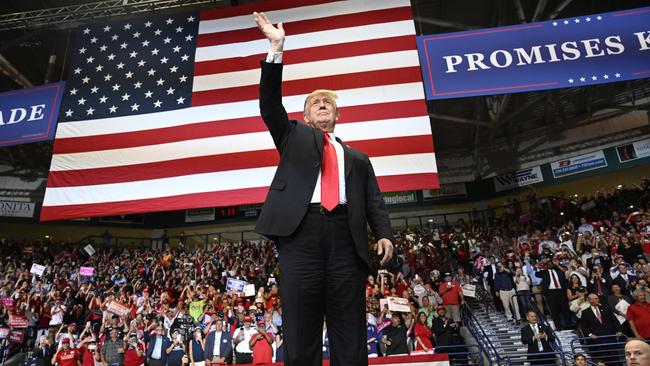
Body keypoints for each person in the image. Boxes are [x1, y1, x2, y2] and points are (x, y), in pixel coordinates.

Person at [252, 11, 394, 366]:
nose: (322, 105)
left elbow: (374, 200)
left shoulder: (358, 157)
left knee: (350, 327)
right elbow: (269, 105)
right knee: (301, 326)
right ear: (305, 114)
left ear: (337, 114)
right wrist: (276, 48)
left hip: (347, 237)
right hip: (300, 235)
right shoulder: (292, 137)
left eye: (328, 102)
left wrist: (385, 233)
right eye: (315, 102)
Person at [580, 293, 623, 364]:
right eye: (596, 298)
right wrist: (590, 335)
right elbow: (584, 327)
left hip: (610, 339)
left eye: (597, 298)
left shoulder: (606, 308)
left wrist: (619, 331)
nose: (598, 300)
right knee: (602, 361)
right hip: (597, 341)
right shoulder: (585, 312)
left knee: (615, 360)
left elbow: (615, 320)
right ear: (590, 300)